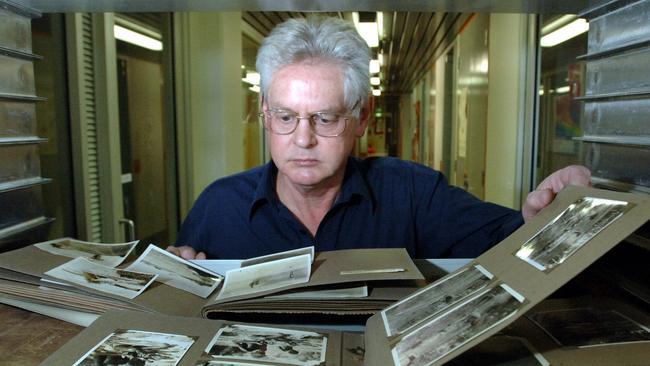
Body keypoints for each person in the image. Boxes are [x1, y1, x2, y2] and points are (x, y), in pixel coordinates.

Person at [167, 17, 590, 260]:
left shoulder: (414, 193)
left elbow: (508, 239)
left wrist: (542, 216)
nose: (303, 139)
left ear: (362, 116)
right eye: (284, 117)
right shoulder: (218, 206)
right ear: (264, 112)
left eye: (325, 118)